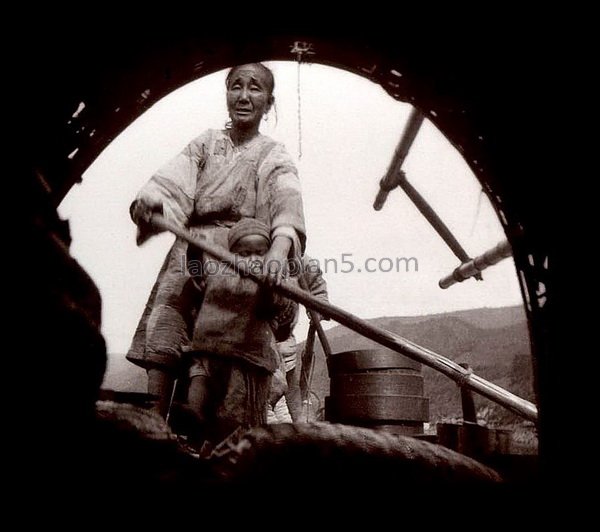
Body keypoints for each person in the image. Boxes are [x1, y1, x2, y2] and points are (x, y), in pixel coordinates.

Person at [126, 63, 306, 424]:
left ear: (269, 102)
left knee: (237, 347)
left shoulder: (274, 154)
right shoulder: (205, 144)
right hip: (193, 250)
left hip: (245, 256)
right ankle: (154, 427)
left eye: (255, 89)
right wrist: (153, 205)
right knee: (166, 317)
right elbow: (172, 185)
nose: (243, 96)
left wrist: (277, 252)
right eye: (235, 87)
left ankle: (229, 431)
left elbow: (287, 204)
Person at [184, 217, 298, 445]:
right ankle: (208, 449)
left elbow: (276, 309)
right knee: (208, 411)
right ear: (232, 255)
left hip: (250, 362)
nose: (253, 259)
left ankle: (237, 456)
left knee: (238, 415)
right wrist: (196, 246)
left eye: (260, 252)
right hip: (215, 356)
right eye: (244, 254)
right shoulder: (221, 273)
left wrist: (268, 285)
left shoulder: (272, 281)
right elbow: (196, 272)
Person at [266, 255, 329, 423]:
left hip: (285, 350)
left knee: (294, 412)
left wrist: (319, 303)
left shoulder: (292, 257)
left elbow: (314, 282)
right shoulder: (244, 248)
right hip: (255, 352)